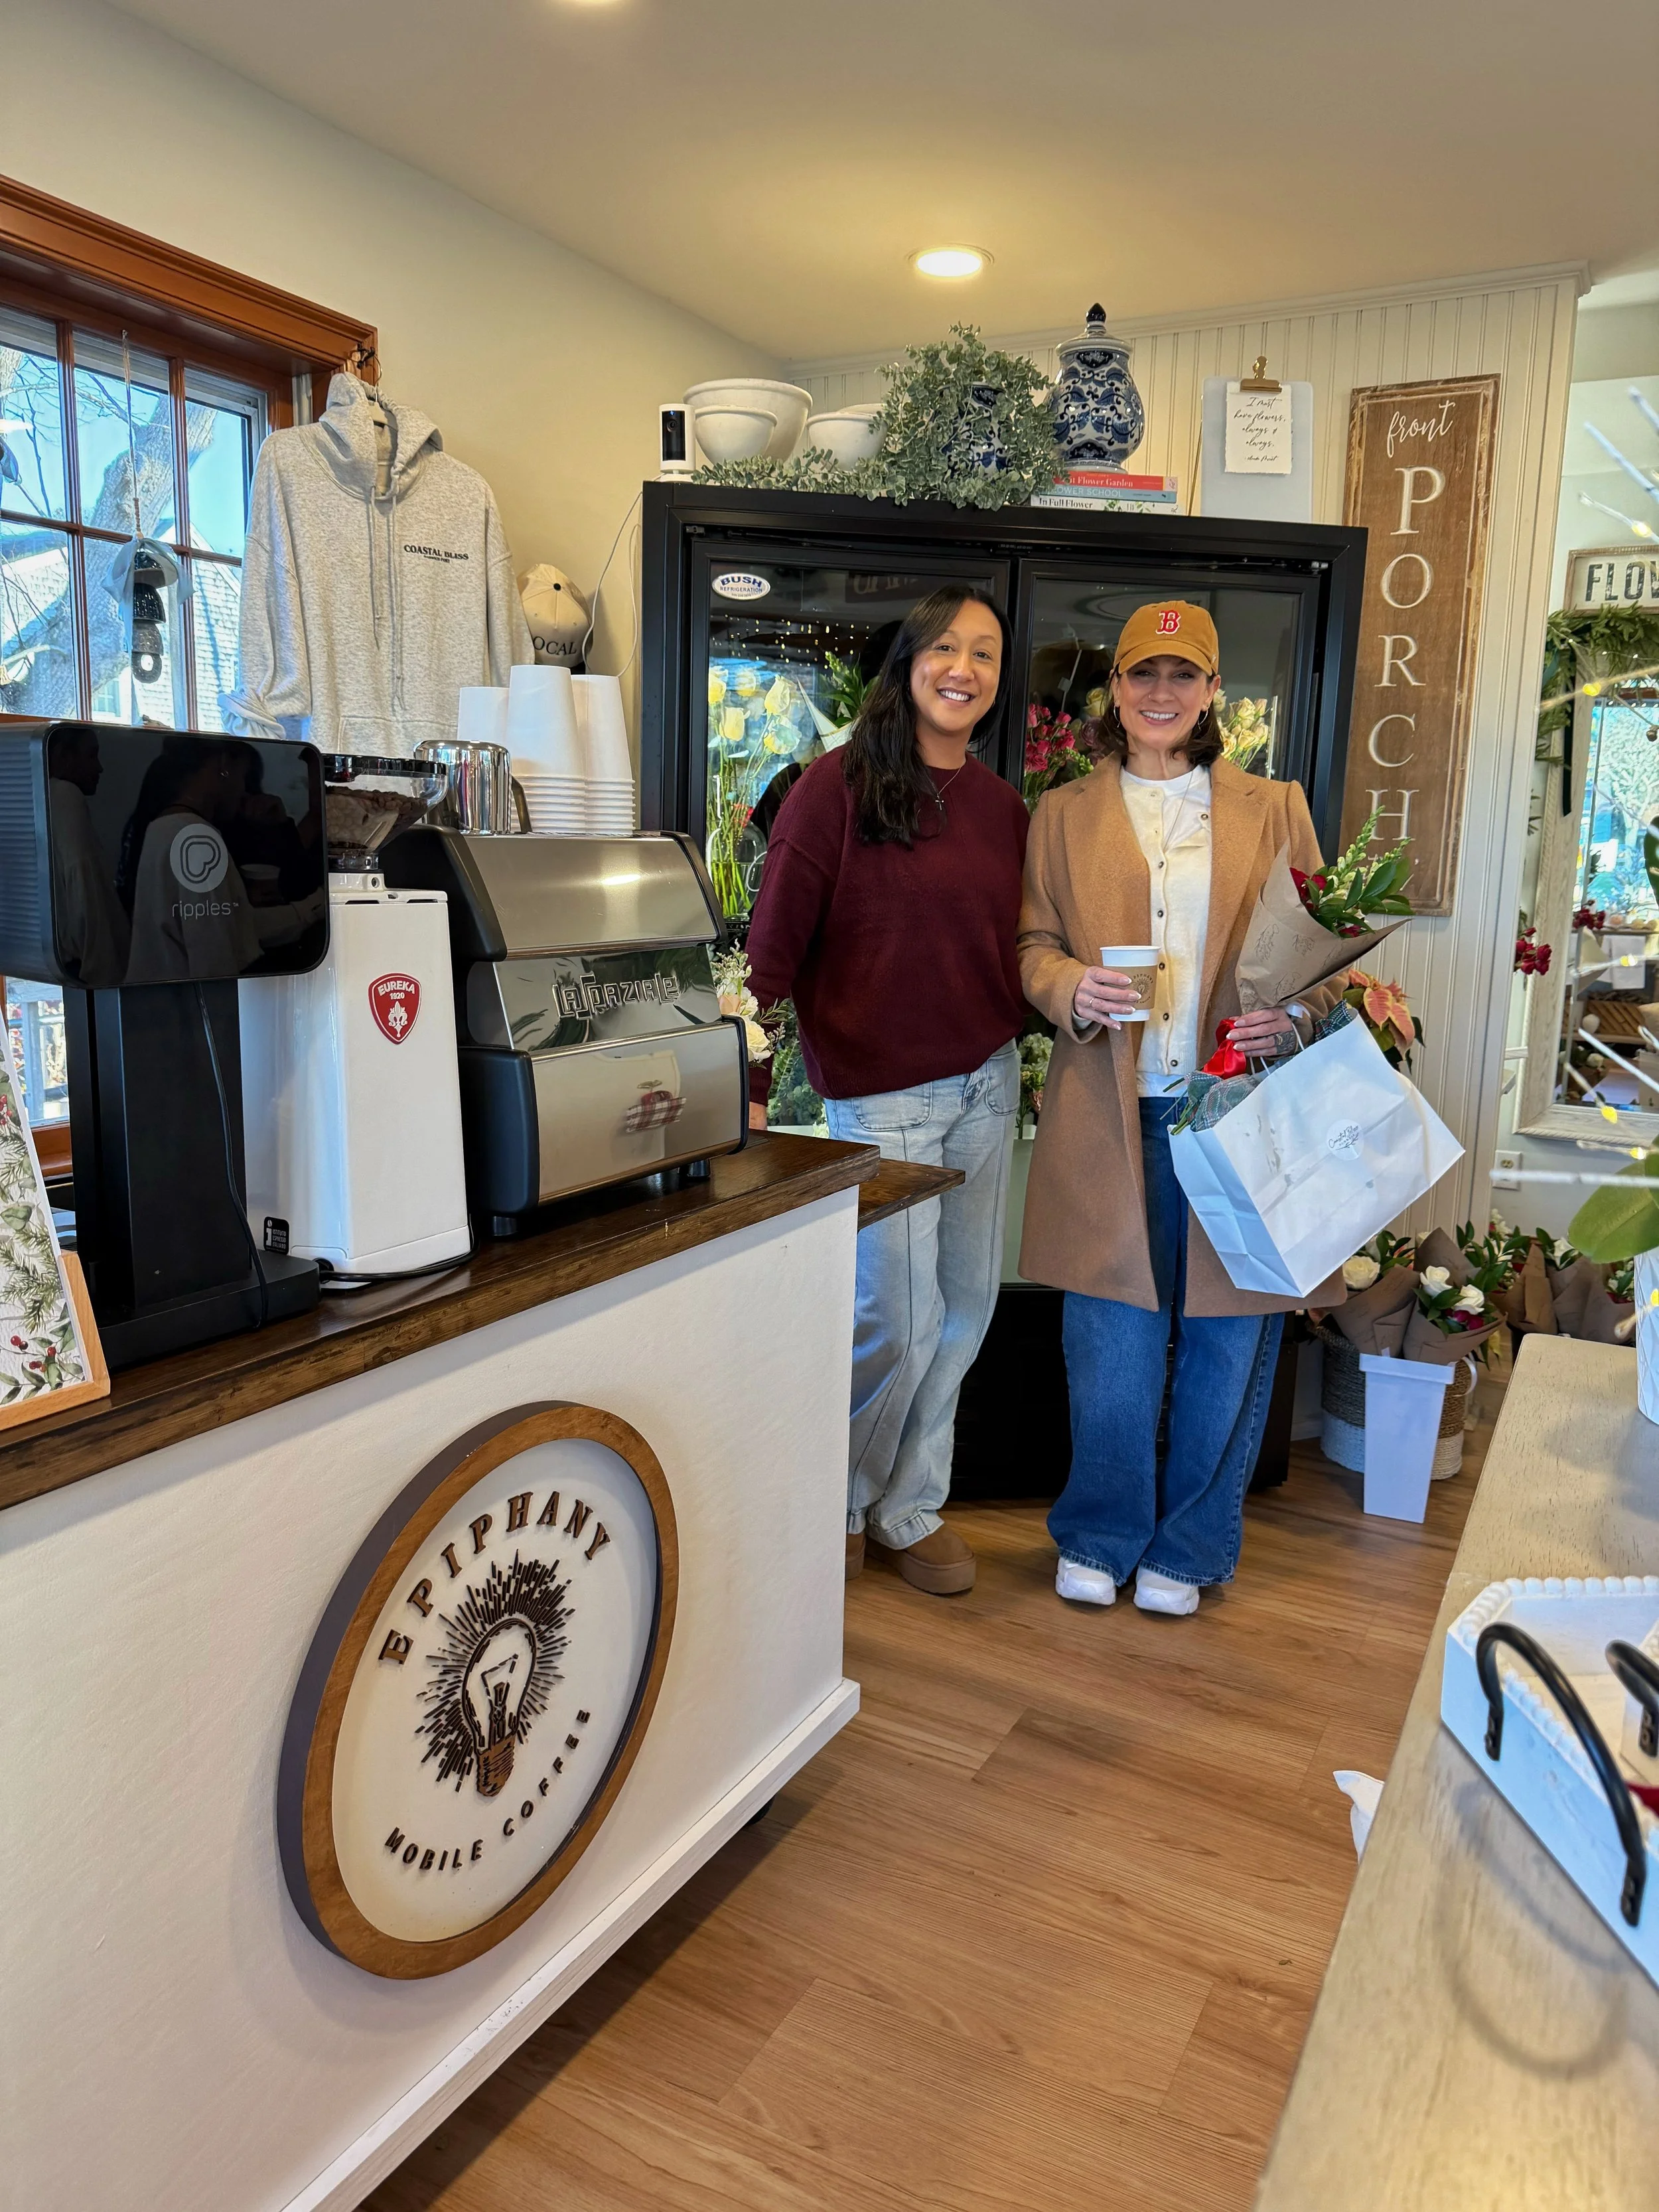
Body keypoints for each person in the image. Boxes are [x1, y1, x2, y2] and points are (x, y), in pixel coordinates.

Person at [1018, 600, 1344, 1617]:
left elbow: (1324, 953)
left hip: (1231, 1110)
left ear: (1213, 694)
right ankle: (1101, 1532)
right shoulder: (1062, 813)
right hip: (1106, 1113)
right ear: (1115, 691)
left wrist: (1291, 1013)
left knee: (1227, 1335)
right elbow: (1030, 945)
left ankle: (1192, 1546)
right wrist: (1069, 985)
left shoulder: (1274, 807)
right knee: (1108, 1336)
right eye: (1142, 674)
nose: (1162, 692)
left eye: (1184, 675)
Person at [745, 588, 1029, 1596]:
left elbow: (1022, 947)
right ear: (909, 664)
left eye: (986, 653)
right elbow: (770, 946)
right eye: (946, 647)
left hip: (989, 1086)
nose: (965, 668)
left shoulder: (1002, 809)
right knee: (893, 1323)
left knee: (964, 1311)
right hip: (882, 1101)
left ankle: (909, 1508)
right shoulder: (836, 789)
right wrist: (744, 1066)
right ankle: (836, 1503)